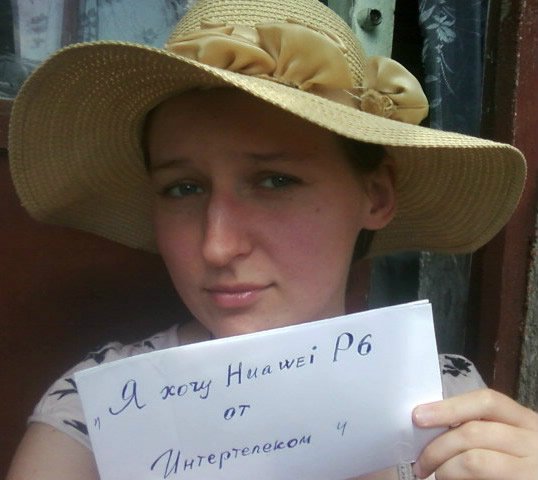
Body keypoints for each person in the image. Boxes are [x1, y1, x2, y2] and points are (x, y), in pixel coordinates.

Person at [6, 0, 538, 479]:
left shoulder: (453, 410)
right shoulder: (95, 412)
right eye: (183, 188)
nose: (217, 247)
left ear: (375, 195)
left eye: (275, 181)